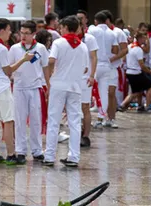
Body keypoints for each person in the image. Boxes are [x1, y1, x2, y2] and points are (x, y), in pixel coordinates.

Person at [0, 18, 35, 165]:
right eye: (8, 30)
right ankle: (11, 154)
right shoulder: (1, 48)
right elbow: (8, 70)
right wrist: (24, 60)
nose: (10, 33)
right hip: (2, 88)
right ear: (2, 31)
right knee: (8, 121)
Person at [43, 15, 88, 167]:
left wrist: (49, 77)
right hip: (75, 86)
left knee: (54, 120)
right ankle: (74, 157)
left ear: (67, 28)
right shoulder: (83, 46)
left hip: (58, 85)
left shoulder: (58, 43)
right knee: (74, 122)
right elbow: (86, 68)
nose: (60, 30)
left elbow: (50, 60)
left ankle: (49, 156)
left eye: (62, 27)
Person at [9, 21, 49, 161]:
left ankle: (37, 150)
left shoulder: (41, 48)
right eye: (22, 33)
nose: (23, 36)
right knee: (19, 120)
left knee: (35, 119)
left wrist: (48, 85)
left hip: (35, 87)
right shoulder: (14, 48)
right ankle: (20, 150)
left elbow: (45, 67)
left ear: (33, 34)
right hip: (19, 87)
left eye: (27, 33)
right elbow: (10, 68)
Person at [90, 11, 118, 128]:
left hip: (95, 65)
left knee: (87, 91)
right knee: (104, 93)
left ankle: (83, 116)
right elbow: (115, 50)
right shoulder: (112, 33)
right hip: (106, 65)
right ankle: (101, 118)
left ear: (96, 21)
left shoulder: (92, 30)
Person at [78, 12, 98, 147]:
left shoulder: (89, 39)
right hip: (72, 78)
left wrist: (92, 75)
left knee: (85, 106)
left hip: (85, 78)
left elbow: (94, 57)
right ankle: (77, 131)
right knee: (73, 107)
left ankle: (86, 135)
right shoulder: (68, 39)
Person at [120, 32, 151, 111]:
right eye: (143, 38)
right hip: (136, 72)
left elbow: (124, 59)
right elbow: (141, 65)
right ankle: (147, 106)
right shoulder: (139, 50)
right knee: (150, 86)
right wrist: (149, 71)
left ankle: (139, 105)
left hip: (129, 71)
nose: (144, 40)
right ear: (139, 39)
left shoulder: (129, 47)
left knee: (138, 90)